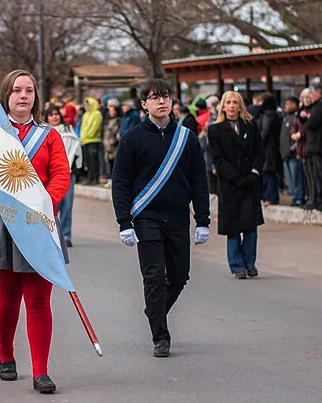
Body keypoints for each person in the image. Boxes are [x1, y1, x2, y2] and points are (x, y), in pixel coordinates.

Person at [0, 70, 70, 394]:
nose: (23, 96)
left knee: (38, 300)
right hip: (4, 224)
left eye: (29, 91)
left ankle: (41, 371)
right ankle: (6, 354)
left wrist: (43, 202)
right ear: (6, 96)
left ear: (35, 97)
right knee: (8, 298)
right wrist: (0, 178)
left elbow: (61, 176)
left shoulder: (49, 136)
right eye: (17, 90)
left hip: (39, 225)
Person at [112, 78, 210, 358]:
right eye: (155, 97)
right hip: (146, 217)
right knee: (154, 276)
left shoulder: (187, 138)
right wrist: (124, 222)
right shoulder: (132, 139)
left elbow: (199, 181)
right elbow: (120, 182)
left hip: (178, 217)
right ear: (144, 104)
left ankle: (154, 310)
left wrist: (203, 219)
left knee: (179, 276)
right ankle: (161, 336)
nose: (162, 101)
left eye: (166, 96)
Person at [208, 91, 265, 279]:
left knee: (250, 226)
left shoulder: (251, 125)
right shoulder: (215, 130)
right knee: (232, 227)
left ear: (241, 106)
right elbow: (218, 159)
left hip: (250, 181)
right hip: (230, 184)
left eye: (235, 102)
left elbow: (260, 152)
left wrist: (254, 172)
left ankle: (250, 262)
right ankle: (237, 265)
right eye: (228, 102)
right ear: (223, 106)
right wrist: (235, 177)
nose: (232, 106)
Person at [47, 105, 82, 248]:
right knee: (52, 204)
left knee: (67, 205)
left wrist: (74, 165)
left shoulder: (68, 131)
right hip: (49, 175)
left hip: (67, 173)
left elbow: (76, 150)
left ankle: (66, 235)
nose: (54, 117)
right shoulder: (43, 132)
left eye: (56, 114)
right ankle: (52, 233)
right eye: (51, 114)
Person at [254, 92, 282, 206]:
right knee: (265, 172)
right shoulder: (268, 114)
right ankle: (267, 196)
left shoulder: (268, 115)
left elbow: (265, 131)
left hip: (268, 148)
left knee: (268, 172)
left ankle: (271, 197)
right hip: (268, 147)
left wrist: (258, 144)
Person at [280, 97, 305, 206]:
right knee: (290, 178)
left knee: (297, 177)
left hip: (293, 154)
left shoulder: (297, 118)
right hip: (285, 153)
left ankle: (299, 197)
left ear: (295, 105)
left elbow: (299, 136)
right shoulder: (286, 118)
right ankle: (295, 196)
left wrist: (292, 149)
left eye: (289, 104)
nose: (286, 106)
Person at [79, 97, 103, 185]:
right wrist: (82, 137)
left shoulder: (97, 114)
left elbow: (95, 127)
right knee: (88, 161)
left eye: (88, 105)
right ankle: (89, 178)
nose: (87, 107)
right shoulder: (85, 115)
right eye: (86, 105)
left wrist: (88, 135)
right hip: (85, 140)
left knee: (94, 161)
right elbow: (82, 127)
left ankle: (95, 178)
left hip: (93, 140)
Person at [103, 102, 121, 173]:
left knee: (115, 163)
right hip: (107, 145)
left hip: (114, 145)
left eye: (113, 110)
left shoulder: (118, 120)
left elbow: (116, 132)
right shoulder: (107, 120)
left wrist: (112, 142)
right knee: (109, 163)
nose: (111, 112)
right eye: (110, 111)